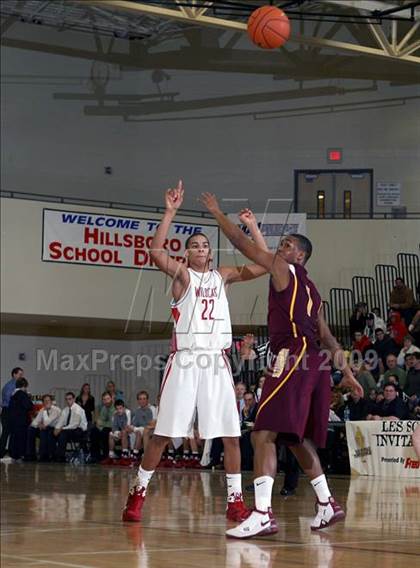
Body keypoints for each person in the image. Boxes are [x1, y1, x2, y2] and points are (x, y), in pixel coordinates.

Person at [203, 193, 363, 538]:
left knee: (262, 433)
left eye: (287, 243)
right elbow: (329, 337)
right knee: (294, 437)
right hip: (316, 360)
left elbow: (242, 246)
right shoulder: (312, 290)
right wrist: (347, 372)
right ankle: (327, 503)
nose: (281, 246)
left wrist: (218, 213)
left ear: (298, 255)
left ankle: (261, 513)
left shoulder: (283, 268)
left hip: (291, 355)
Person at [122, 181, 268, 524]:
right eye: (194, 246)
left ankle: (234, 501)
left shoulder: (224, 276)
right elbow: (156, 254)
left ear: (212, 252)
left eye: (205, 245)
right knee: (163, 435)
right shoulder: (183, 276)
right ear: (187, 253)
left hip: (217, 361)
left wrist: (254, 229)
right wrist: (170, 212)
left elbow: (264, 264)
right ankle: (138, 492)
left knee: (230, 435)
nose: (201, 249)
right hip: (185, 360)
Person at [54, 392, 88, 462]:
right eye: (66, 399)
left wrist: (61, 429)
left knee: (63, 433)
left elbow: (74, 424)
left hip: (80, 431)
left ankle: (60, 456)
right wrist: (56, 429)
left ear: (74, 399)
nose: (68, 401)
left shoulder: (78, 409)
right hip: (69, 430)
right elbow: (61, 421)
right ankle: (50, 455)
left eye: (70, 399)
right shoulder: (65, 410)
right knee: (52, 433)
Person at [26, 394, 61, 461]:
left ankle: (44, 455)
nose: (47, 402)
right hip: (45, 428)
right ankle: (30, 455)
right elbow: (34, 423)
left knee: (44, 430)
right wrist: (39, 425)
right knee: (31, 429)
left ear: (51, 401)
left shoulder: (56, 410)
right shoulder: (42, 409)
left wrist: (44, 413)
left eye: (48, 400)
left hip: (56, 430)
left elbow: (47, 422)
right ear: (43, 403)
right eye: (45, 401)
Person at [0, 367, 24, 458]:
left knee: (11, 433)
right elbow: (9, 399)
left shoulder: (15, 385)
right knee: (6, 433)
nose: (21, 376)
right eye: (20, 374)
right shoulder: (10, 386)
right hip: (8, 411)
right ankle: (1, 453)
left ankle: (10, 453)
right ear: (14, 374)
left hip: (10, 411)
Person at [8, 378, 33, 461]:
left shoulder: (13, 394)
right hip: (21, 420)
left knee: (14, 437)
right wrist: (29, 398)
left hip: (14, 420)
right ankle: (20, 455)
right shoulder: (22, 394)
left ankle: (14, 455)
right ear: (24, 386)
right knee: (21, 438)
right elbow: (28, 406)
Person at [127, 391, 154, 460]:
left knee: (139, 432)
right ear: (138, 401)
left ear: (147, 400)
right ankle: (128, 453)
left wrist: (136, 428)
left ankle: (135, 453)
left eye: (144, 398)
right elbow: (134, 423)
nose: (142, 401)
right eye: (140, 399)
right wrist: (131, 427)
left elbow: (151, 423)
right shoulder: (137, 411)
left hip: (150, 430)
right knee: (129, 430)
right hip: (140, 429)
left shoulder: (152, 409)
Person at [90, 391, 115, 462]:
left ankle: (106, 456)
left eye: (108, 399)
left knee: (105, 431)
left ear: (111, 399)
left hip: (114, 429)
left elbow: (112, 423)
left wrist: (101, 424)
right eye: (104, 399)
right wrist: (99, 426)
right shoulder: (104, 408)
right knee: (94, 431)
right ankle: (95, 456)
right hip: (105, 427)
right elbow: (100, 420)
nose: (106, 401)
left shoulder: (115, 408)